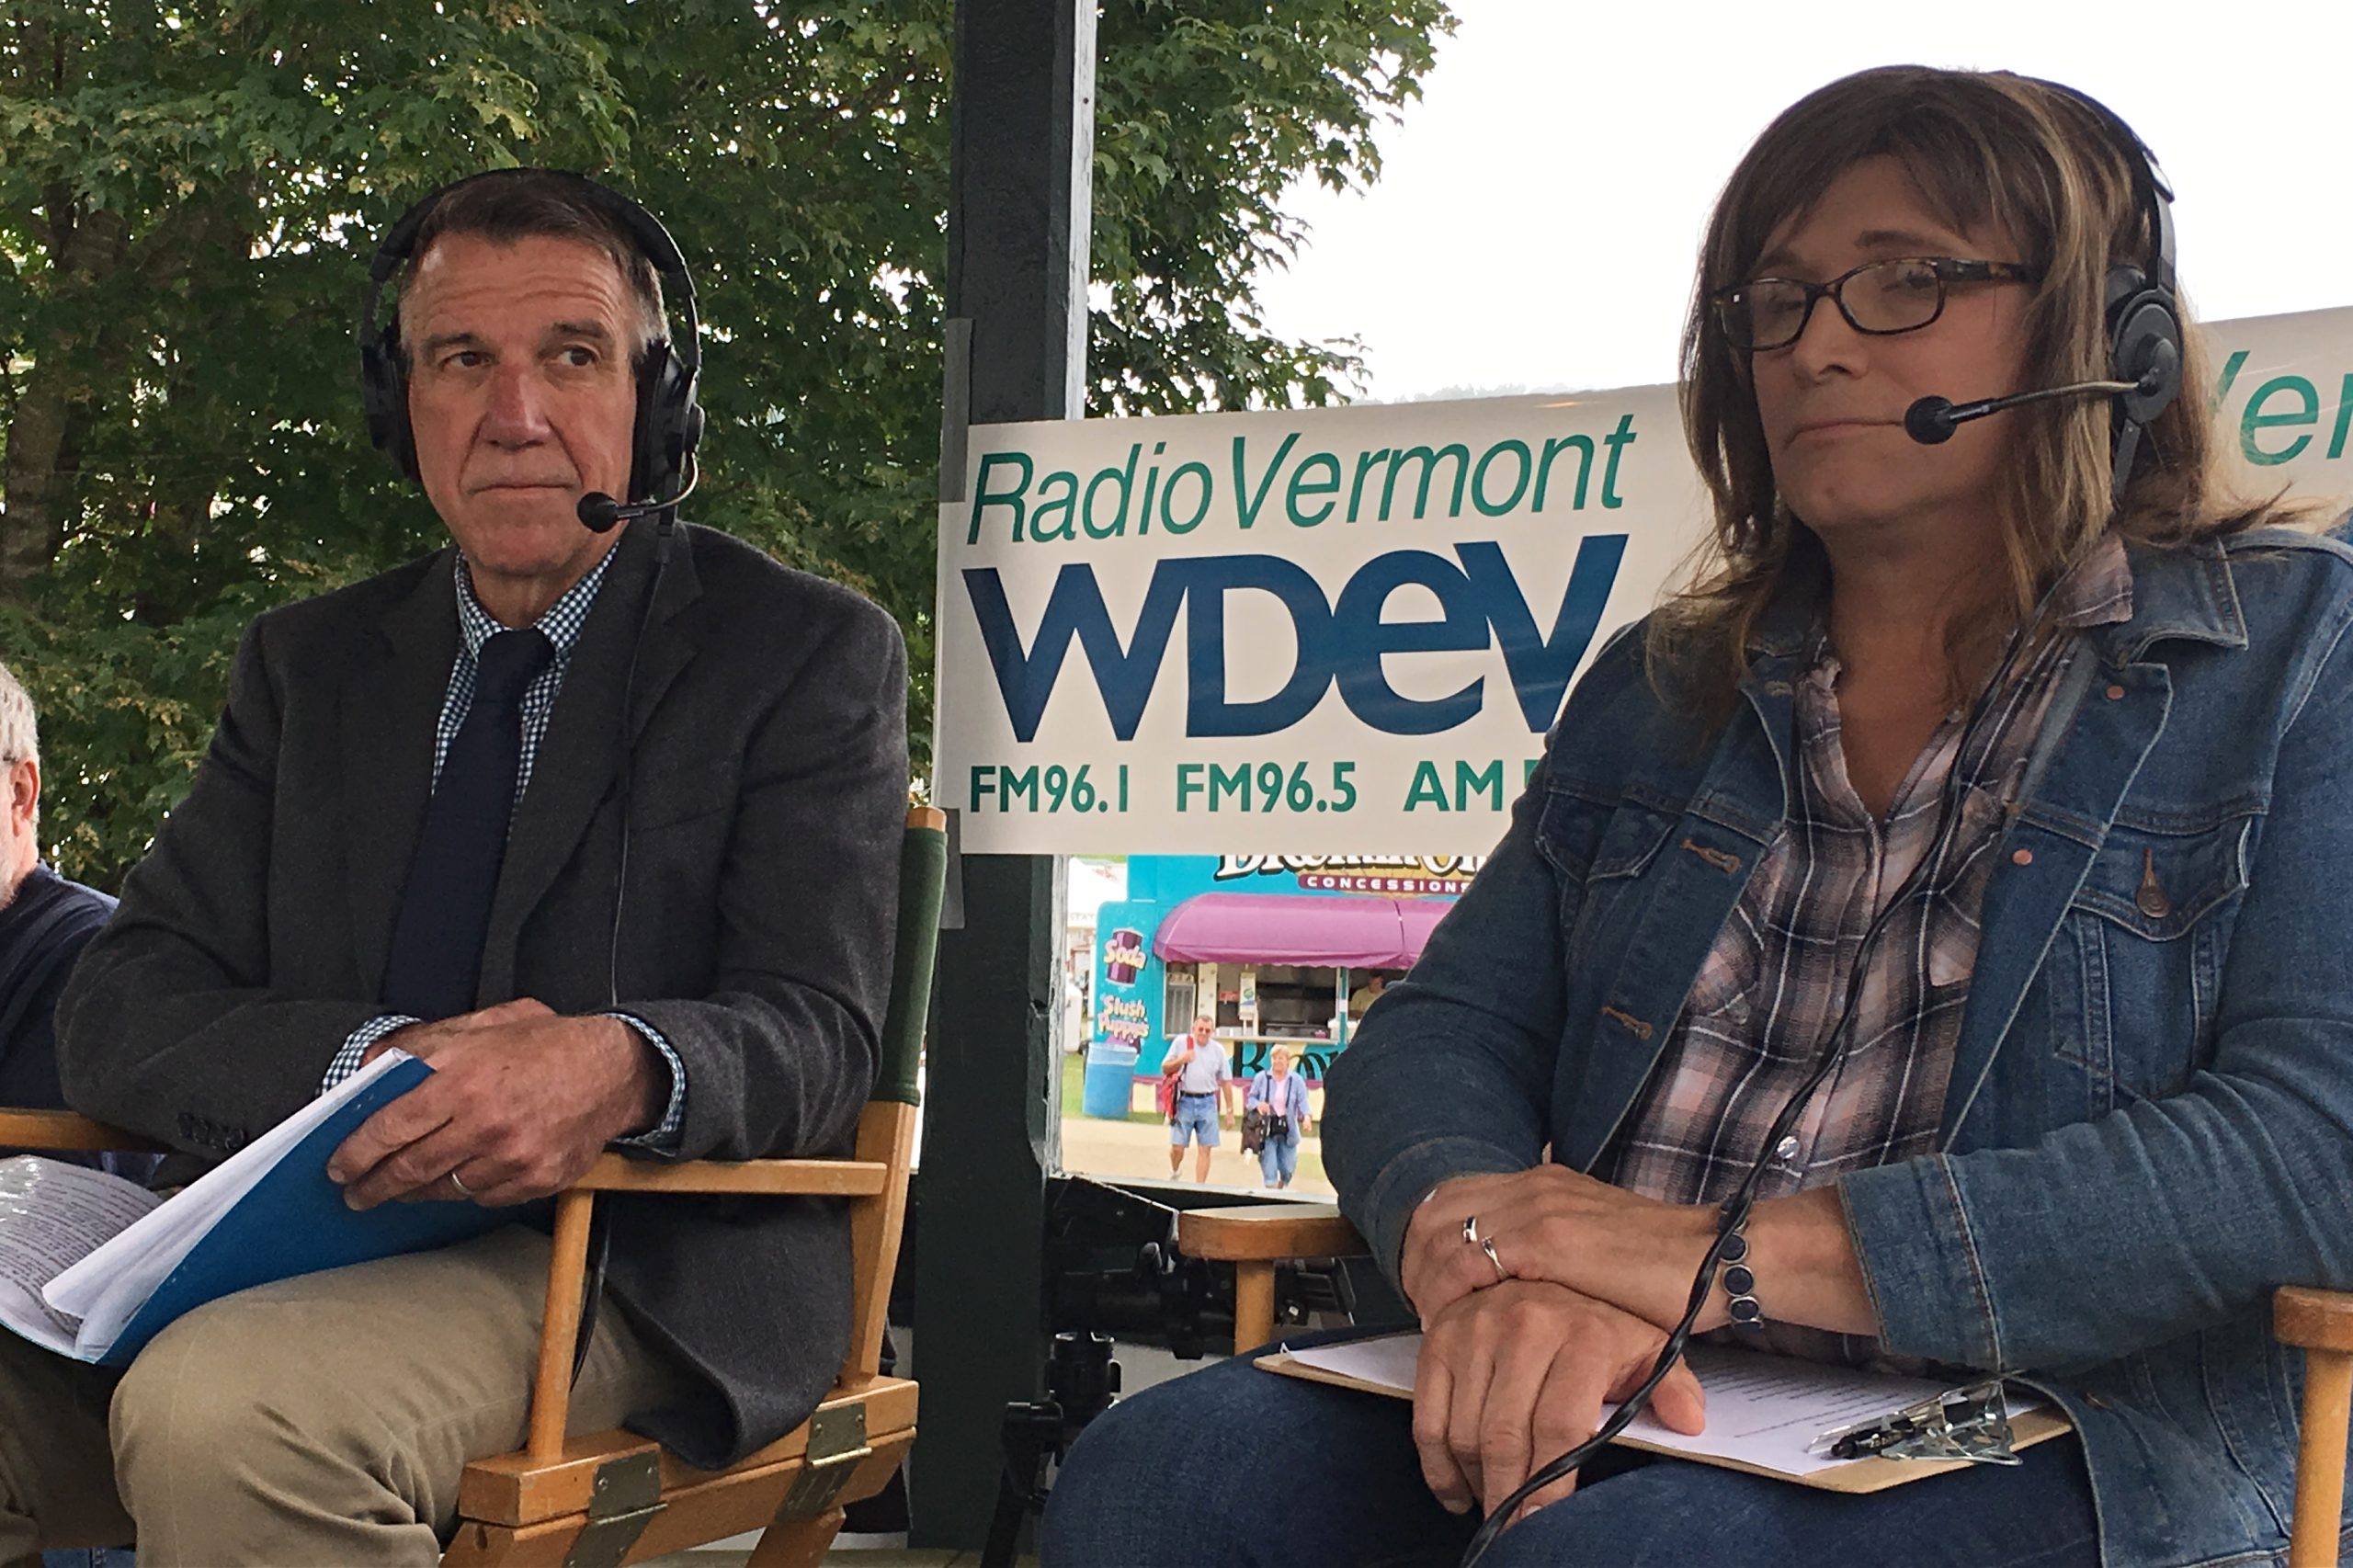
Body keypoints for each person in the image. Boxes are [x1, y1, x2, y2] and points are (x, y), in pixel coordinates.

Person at [1041, 67, 2353, 1568]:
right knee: (1162, 1479)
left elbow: (2318, 1141)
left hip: (2066, 1426)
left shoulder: (2296, 653)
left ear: (2109, 338)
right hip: (1629, 1365)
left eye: (1905, 281)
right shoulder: (1661, 688)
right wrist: (1493, 1261)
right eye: (1776, 302)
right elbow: (1439, 1034)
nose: (1816, 347)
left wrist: (1719, 1262)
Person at [0, 169, 908, 1565]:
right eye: (461, 359)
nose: (516, 413)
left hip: (632, 1266)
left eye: (573, 355)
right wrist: (372, 1064)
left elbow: (817, 1029)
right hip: (283, 1247)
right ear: (401, 403)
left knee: (228, 1416)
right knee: (218, 1385)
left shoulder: (800, 652)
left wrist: (620, 1063)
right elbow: (122, 1001)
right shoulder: (305, 667)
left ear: (655, 400)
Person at [1161, 1014, 1233, 1182]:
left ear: (1212, 1031)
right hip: (1184, 1100)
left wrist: (1229, 1110)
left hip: (1207, 1101)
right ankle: (1175, 1170)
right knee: (1177, 1147)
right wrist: (1182, 1059)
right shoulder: (1181, 1043)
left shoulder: (1218, 1050)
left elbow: (1226, 1081)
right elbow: (1165, 1067)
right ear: (1193, 1029)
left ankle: (1199, 1186)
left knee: (1205, 1149)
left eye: (1208, 1030)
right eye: (1200, 1029)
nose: (1203, 1033)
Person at [1245, 1044, 1313, 1189]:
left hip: (1288, 1130)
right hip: (1267, 1129)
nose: (1277, 1061)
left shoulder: (1296, 1080)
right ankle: (1271, 1191)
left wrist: (1306, 1117)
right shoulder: (1262, 1078)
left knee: (1288, 1169)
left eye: (1280, 1058)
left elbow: (1303, 1101)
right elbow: (1250, 1099)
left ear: (1287, 1060)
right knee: (1269, 1170)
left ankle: (1282, 1185)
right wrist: (1258, 1105)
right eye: (1274, 1058)